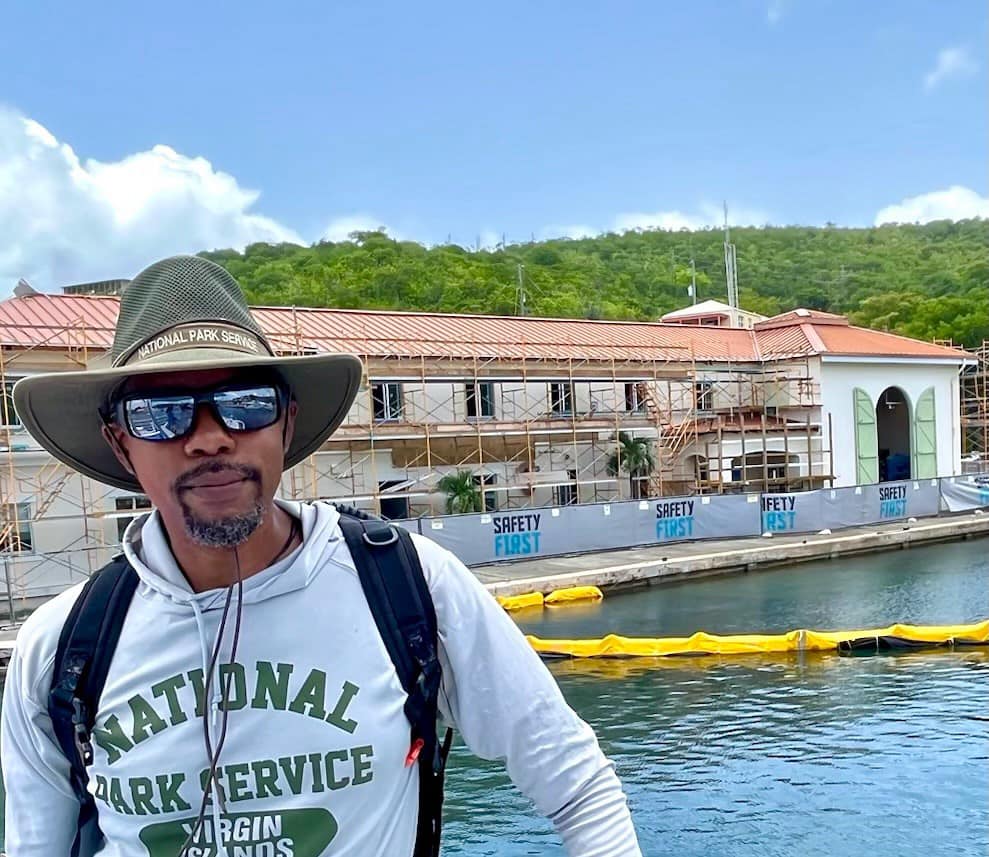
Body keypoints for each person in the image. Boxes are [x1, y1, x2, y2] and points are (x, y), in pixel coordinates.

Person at [1, 255, 641, 856]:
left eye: (244, 404)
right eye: (161, 413)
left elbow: (573, 779)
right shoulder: (61, 647)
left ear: (285, 423)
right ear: (121, 445)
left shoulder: (407, 586)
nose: (209, 438)